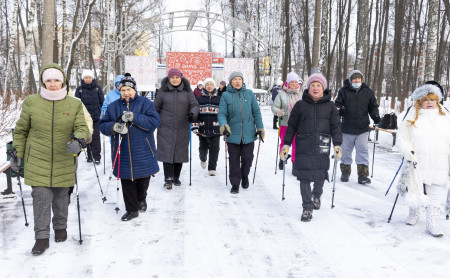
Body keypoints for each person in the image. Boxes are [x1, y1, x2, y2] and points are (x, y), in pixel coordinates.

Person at [10, 63, 89, 255]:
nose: (52, 84)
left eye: (56, 80)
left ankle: (60, 226)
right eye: (48, 80)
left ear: (63, 82)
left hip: (64, 157)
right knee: (41, 198)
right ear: (43, 82)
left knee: (62, 198)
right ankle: (41, 237)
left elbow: (81, 127)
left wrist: (78, 139)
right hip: (38, 157)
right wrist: (16, 153)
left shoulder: (74, 103)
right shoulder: (31, 102)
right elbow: (21, 130)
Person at [281, 73, 342, 222]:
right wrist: (286, 145)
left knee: (320, 174)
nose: (315, 88)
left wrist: (338, 144)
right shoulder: (300, 105)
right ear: (308, 88)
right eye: (313, 85)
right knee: (304, 177)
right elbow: (291, 127)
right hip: (304, 145)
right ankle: (307, 207)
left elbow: (336, 127)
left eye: (318, 85)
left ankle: (317, 195)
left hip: (322, 145)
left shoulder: (331, 106)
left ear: (323, 88)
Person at [99, 73, 160, 221]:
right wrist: (114, 127)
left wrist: (134, 117)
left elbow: (154, 122)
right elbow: (102, 125)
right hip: (122, 150)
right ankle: (132, 209)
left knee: (143, 179)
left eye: (129, 90)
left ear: (135, 90)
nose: (126, 93)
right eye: (123, 90)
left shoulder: (145, 103)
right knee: (127, 180)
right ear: (119, 91)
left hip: (143, 149)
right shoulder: (113, 107)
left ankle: (141, 199)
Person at [397, 84, 450, 237]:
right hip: (417, 162)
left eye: (432, 99)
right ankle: (414, 211)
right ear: (419, 101)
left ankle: (432, 223)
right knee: (415, 189)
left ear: (437, 100)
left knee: (437, 194)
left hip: (440, 163)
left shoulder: (445, 117)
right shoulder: (411, 116)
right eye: (425, 99)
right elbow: (401, 137)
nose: (429, 102)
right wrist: (407, 151)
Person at [218, 71, 264, 194]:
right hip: (232, 134)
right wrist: (224, 125)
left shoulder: (249, 94)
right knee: (233, 160)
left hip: (249, 134)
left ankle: (244, 176)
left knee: (247, 159)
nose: (237, 81)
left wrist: (260, 128)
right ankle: (235, 183)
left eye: (239, 79)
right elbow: (222, 114)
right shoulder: (226, 95)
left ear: (242, 81)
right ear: (231, 82)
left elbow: (256, 112)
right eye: (235, 79)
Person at [154, 68, 199, 189]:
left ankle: (176, 177)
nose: (175, 79)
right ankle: (168, 179)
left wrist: (192, 113)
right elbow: (155, 108)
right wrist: (156, 121)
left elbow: (194, 104)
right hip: (165, 127)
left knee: (179, 152)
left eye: (177, 77)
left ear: (181, 78)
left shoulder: (187, 91)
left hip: (182, 126)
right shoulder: (163, 91)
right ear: (169, 78)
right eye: (172, 77)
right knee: (167, 152)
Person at [335, 70, 380, 184]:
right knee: (345, 151)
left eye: (359, 79)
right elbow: (337, 105)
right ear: (350, 80)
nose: (357, 81)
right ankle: (345, 173)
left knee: (363, 151)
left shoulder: (368, 92)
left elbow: (373, 106)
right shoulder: (343, 91)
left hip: (362, 128)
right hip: (346, 128)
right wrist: (340, 110)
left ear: (362, 79)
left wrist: (375, 116)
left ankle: (363, 176)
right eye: (354, 79)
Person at [271, 72, 302, 174]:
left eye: (295, 82)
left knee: (296, 145)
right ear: (287, 83)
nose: (294, 84)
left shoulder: (301, 94)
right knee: (285, 143)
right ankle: (282, 158)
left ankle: (295, 165)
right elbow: (274, 107)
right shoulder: (282, 94)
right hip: (285, 123)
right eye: (292, 82)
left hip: (298, 125)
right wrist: (278, 112)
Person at [191, 78, 222, 176]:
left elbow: (223, 114)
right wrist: (195, 126)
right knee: (203, 148)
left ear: (214, 86)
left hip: (216, 129)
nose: (209, 86)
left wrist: (224, 126)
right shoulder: (199, 99)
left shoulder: (220, 99)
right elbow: (195, 114)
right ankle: (203, 158)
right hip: (203, 128)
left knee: (215, 149)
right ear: (204, 86)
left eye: (211, 84)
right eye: (207, 84)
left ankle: (212, 168)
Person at [75, 70, 104, 164]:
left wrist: (102, 114)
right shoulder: (79, 89)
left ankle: (97, 156)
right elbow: (76, 104)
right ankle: (89, 155)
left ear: (93, 78)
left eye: (89, 77)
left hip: (96, 118)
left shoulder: (98, 88)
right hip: (84, 118)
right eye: (86, 77)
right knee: (88, 136)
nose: (88, 79)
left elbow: (102, 102)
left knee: (96, 137)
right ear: (83, 78)